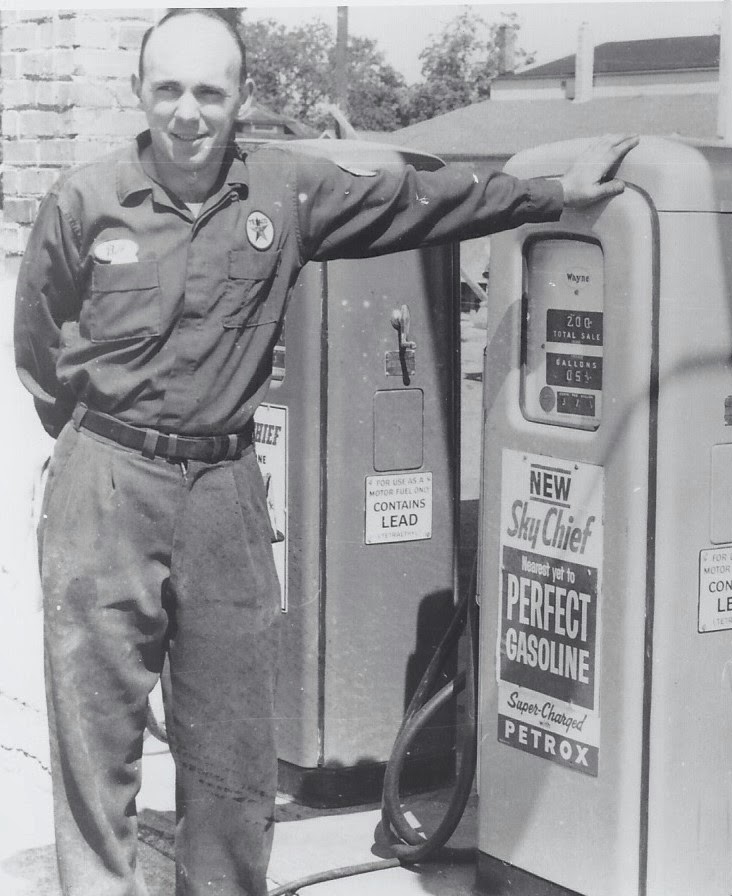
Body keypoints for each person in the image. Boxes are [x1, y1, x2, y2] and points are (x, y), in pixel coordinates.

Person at [13, 9, 637, 896]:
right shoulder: (84, 199)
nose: (187, 113)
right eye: (168, 89)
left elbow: (420, 200)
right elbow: (39, 346)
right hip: (105, 484)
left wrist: (552, 194)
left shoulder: (284, 190)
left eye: (209, 92)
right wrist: (88, 456)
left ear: (241, 97)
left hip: (223, 490)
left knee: (232, 753)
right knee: (94, 738)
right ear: (138, 91)